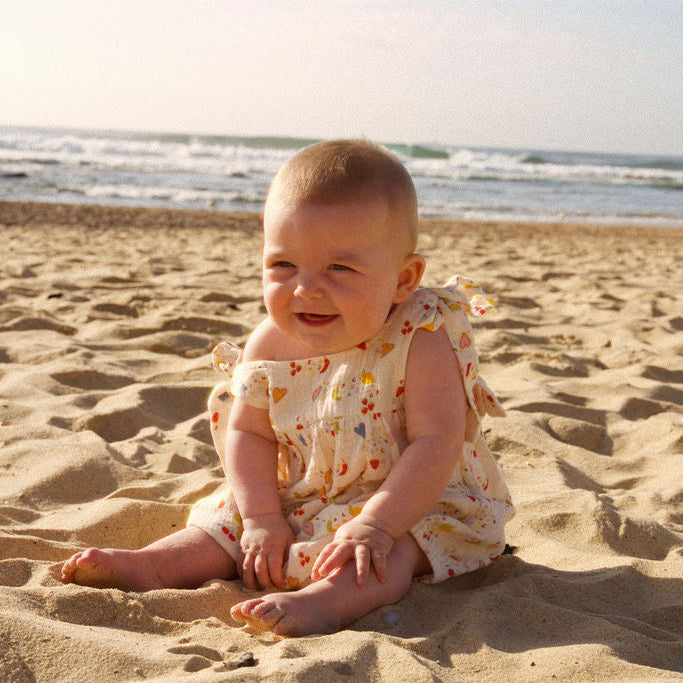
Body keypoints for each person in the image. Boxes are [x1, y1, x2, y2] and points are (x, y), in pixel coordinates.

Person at [61, 139, 514, 636]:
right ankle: (155, 566)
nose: (306, 288)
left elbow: (437, 443)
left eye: (340, 268)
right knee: (222, 523)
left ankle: (328, 601)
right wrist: (260, 517)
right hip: (302, 490)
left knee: (396, 551)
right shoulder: (270, 342)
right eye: (283, 265)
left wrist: (376, 525)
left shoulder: (421, 336)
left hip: (410, 498)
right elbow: (249, 434)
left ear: (404, 278)